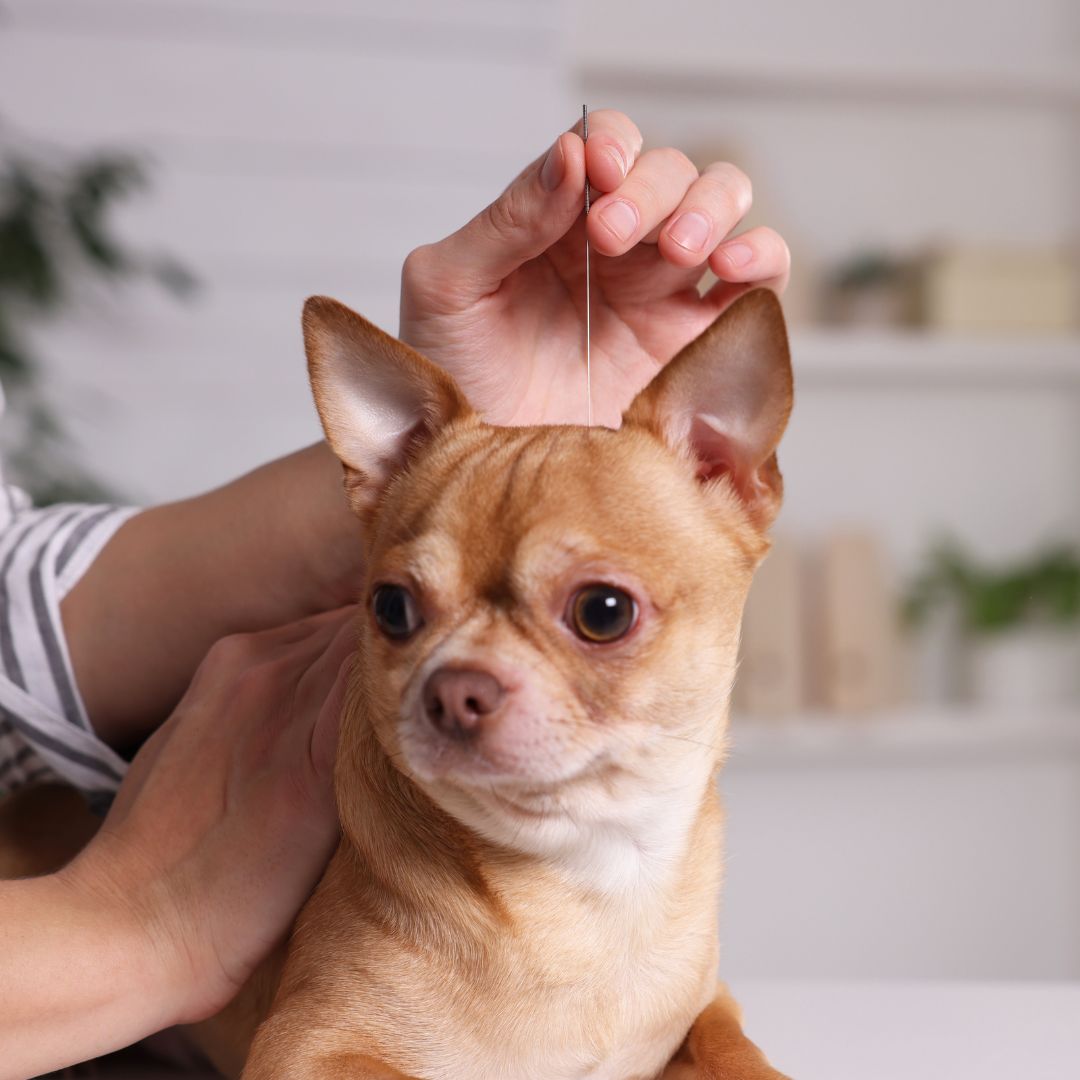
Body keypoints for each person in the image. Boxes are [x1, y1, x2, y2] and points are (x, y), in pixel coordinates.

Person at [0, 111, 790, 1078]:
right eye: (402, 612)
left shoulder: (667, 898)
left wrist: (480, 440)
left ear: (731, 473)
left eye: (599, 613)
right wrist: (140, 925)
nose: (464, 683)